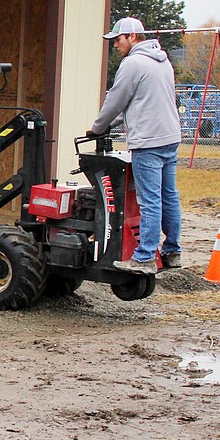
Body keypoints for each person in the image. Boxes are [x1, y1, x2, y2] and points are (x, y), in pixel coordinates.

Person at [88, 17, 182, 275]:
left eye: (117, 40)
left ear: (131, 36)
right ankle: (172, 251)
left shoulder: (132, 63)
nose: (115, 46)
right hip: (170, 138)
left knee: (149, 200)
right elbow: (136, 102)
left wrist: (97, 128)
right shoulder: (162, 61)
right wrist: (112, 123)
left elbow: (116, 100)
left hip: (148, 142)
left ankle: (143, 258)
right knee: (168, 195)